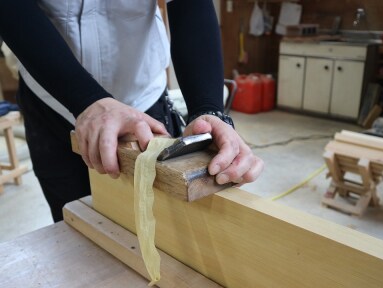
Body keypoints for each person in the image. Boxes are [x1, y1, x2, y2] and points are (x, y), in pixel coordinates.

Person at [0, 0, 264, 222]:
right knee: (72, 222)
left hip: (143, 102)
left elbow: (190, 4)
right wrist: (85, 99)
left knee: (163, 222)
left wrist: (208, 110)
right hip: (51, 97)